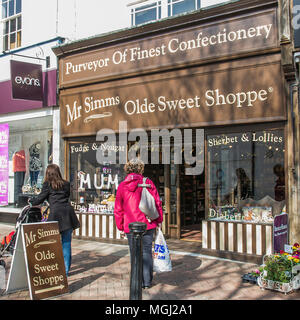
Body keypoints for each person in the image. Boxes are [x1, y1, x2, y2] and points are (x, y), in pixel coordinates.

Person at [114, 158, 163, 289]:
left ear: (127, 169)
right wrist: (159, 220)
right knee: (147, 251)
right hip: (148, 223)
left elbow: (118, 209)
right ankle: (147, 281)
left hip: (131, 225)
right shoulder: (148, 182)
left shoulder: (122, 186)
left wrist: (120, 226)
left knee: (134, 252)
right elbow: (157, 202)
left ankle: (137, 280)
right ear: (141, 169)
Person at [28, 164, 80, 276]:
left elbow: (39, 199)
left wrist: (31, 201)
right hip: (67, 215)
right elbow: (67, 196)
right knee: (66, 243)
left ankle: (53, 267)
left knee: (51, 243)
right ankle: (65, 271)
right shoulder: (66, 184)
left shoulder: (47, 185)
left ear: (48, 174)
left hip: (55, 215)